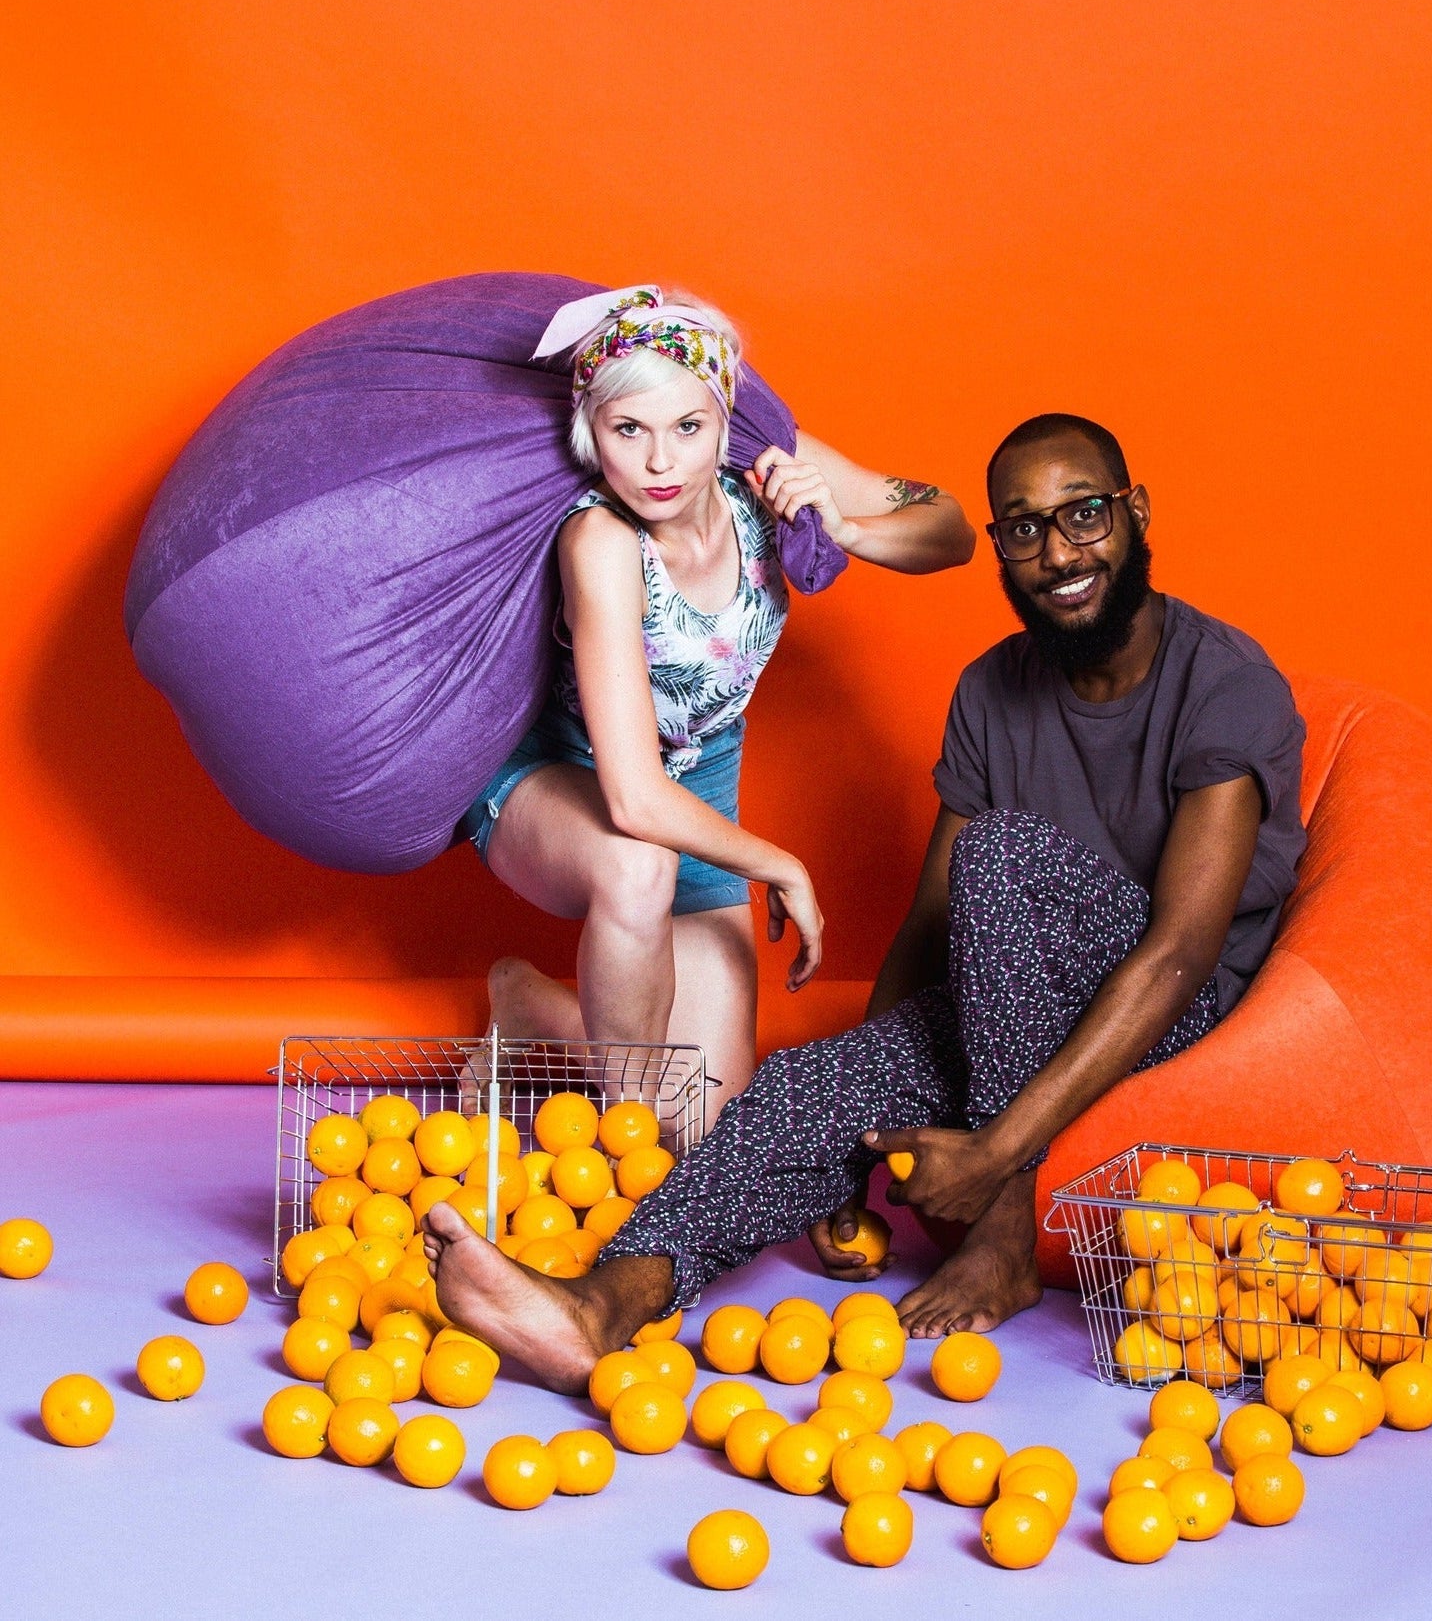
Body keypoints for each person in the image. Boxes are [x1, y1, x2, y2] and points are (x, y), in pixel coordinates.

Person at [424, 411, 1306, 1387]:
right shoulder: (990, 691)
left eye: (1083, 515)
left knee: (1002, 853)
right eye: (1021, 529)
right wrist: (860, 1143)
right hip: (1017, 993)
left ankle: (1004, 1236)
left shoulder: (1223, 682)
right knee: (803, 1084)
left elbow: (1181, 952)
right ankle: (602, 1303)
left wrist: (995, 1154)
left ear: (1134, 514)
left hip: (1169, 993)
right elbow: (933, 929)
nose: (1057, 553)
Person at [462, 286, 974, 1113]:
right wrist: (780, 865)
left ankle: (530, 1008)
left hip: (695, 782)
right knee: (638, 868)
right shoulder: (599, 542)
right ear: (592, 432)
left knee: (700, 1123)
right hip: (562, 774)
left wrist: (843, 525)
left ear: (724, 421)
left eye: (687, 429)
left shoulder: (766, 474)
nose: (661, 464)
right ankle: (619, 1144)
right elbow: (630, 798)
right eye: (629, 430)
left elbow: (949, 528)